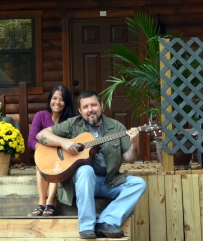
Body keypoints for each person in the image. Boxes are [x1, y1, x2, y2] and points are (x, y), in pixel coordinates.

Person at [36, 90, 147, 239]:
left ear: (101, 105)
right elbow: (41, 135)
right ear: (80, 111)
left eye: (93, 105)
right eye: (86, 107)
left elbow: (130, 158)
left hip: (110, 181)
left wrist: (135, 144)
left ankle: (107, 221)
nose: (90, 110)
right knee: (86, 170)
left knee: (139, 183)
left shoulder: (117, 127)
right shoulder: (72, 124)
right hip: (82, 184)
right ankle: (87, 227)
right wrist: (64, 142)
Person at [28, 85, 75, 216]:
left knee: (57, 165)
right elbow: (31, 141)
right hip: (44, 155)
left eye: (62, 99)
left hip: (65, 158)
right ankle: (42, 201)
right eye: (54, 98)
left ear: (67, 103)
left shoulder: (72, 119)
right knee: (41, 165)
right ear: (50, 99)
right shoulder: (40, 116)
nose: (57, 102)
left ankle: (50, 201)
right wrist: (46, 151)